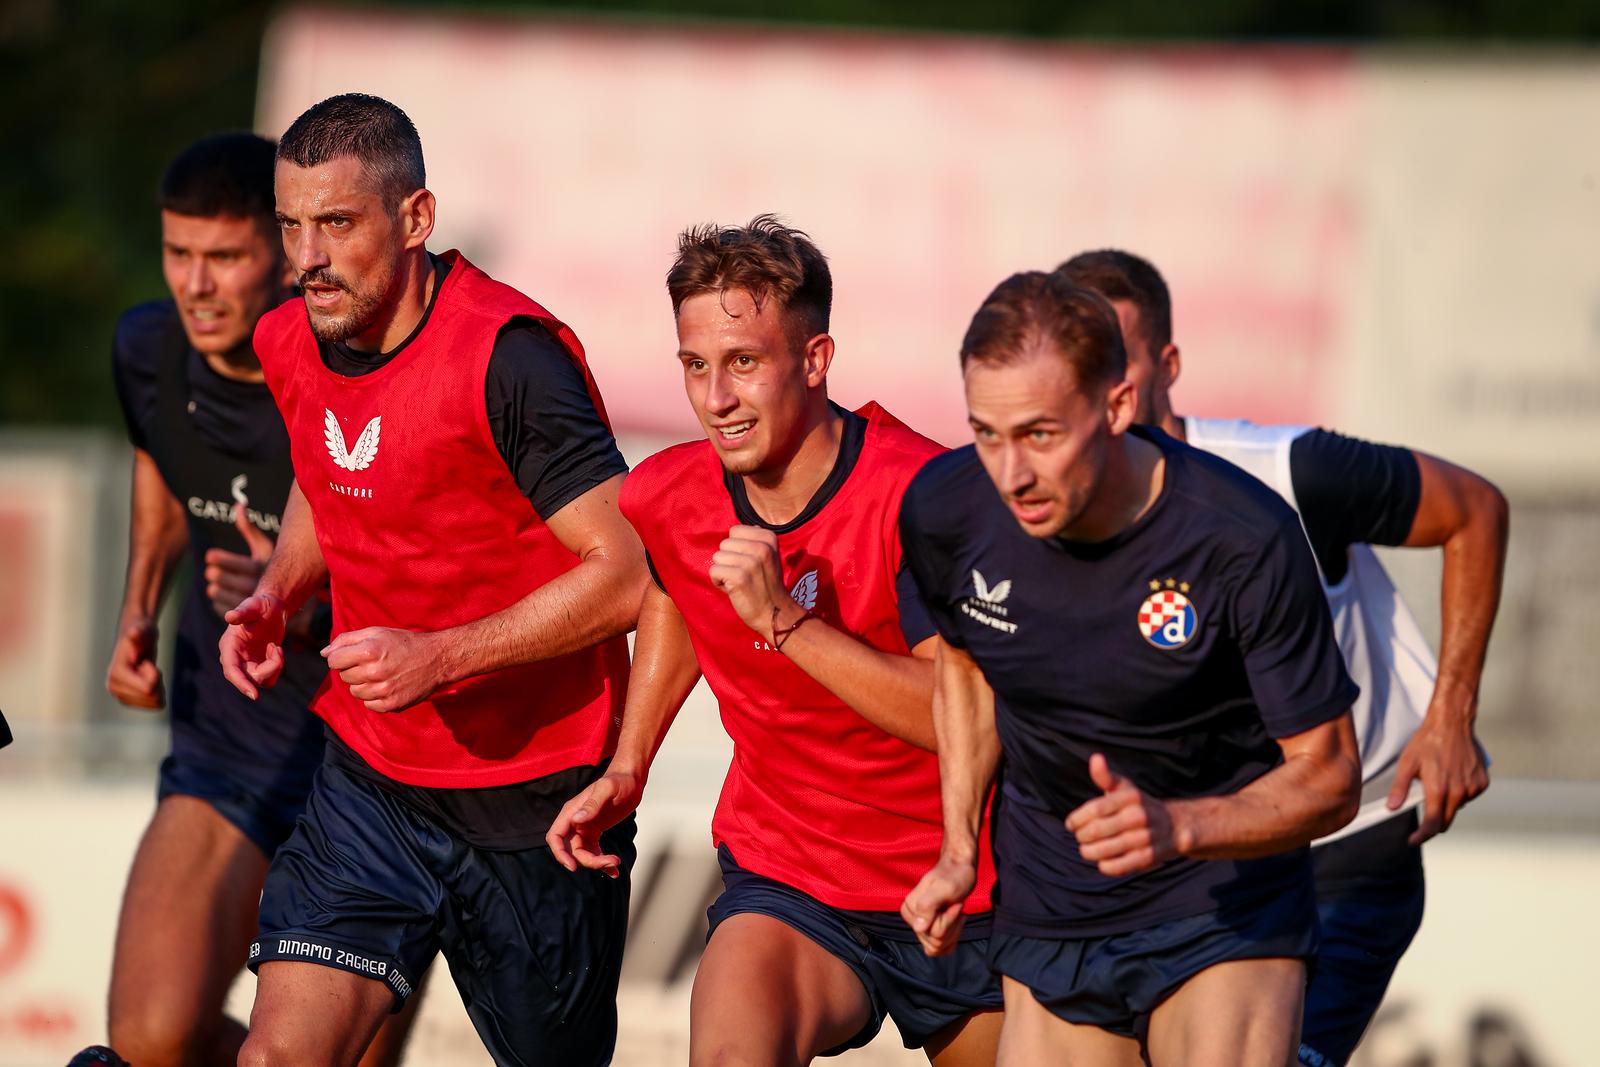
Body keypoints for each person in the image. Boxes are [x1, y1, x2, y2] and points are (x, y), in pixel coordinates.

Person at [218, 94, 646, 1067]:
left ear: (415, 218)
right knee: (277, 1055)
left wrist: (440, 655)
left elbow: (626, 570)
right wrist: (278, 593)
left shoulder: (511, 358)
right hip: (371, 779)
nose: (307, 256)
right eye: (291, 225)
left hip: (539, 798)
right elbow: (330, 471)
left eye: (337, 223)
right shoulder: (291, 337)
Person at [546, 216, 1003, 1065]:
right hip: (790, 878)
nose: (716, 398)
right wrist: (630, 762)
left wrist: (786, 623)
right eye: (695, 366)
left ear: (816, 358)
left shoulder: (927, 497)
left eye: (744, 363)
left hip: (965, 886)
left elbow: (958, 717)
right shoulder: (667, 492)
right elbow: (677, 591)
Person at [899, 272, 1364, 1067]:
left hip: (1220, 902)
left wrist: (1179, 825)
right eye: (986, 433)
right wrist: (957, 849)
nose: (1010, 472)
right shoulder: (947, 509)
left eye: (1041, 435)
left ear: (1115, 407)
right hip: (1053, 896)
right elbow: (968, 670)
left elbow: (1329, 776)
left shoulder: (1241, 539)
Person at [1056, 248, 1507, 1067]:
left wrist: (1451, 715)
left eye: (1121, 357)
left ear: (1169, 363)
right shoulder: (1049, 515)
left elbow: (1474, 508)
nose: (1106, 385)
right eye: (1084, 361)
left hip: (1346, 847)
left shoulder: (1289, 472)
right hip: (1183, 862)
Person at [89, 132, 418, 1067]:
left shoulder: (361, 373)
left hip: (373, 772)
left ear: (283, 257)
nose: (196, 284)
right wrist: (137, 611)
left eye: (225, 257)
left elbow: (441, 564)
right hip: (225, 737)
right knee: (150, 1039)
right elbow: (161, 463)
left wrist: (302, 586)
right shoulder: (146, 349)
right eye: (178, 253)